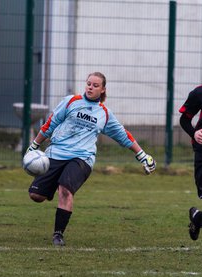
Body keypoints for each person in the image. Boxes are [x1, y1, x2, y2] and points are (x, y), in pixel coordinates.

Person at [27, 72, 156, 246]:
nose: (90, 87)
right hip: (56, 153)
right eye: (89, 84)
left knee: (65, 190)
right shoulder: (71, 101)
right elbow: (50, 124)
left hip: (82, 158)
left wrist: (142, 156)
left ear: (103, 89)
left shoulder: (104, 114)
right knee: (36, 195)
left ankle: (58, 234)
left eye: (96, 85)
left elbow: (123, 136)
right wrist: (34, 145)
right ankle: (51, 187)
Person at [179, 84, 202, 240]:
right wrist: (195, 133)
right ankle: (198, 218)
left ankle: (198, 218)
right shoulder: (200, 92)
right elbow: (184, 120)